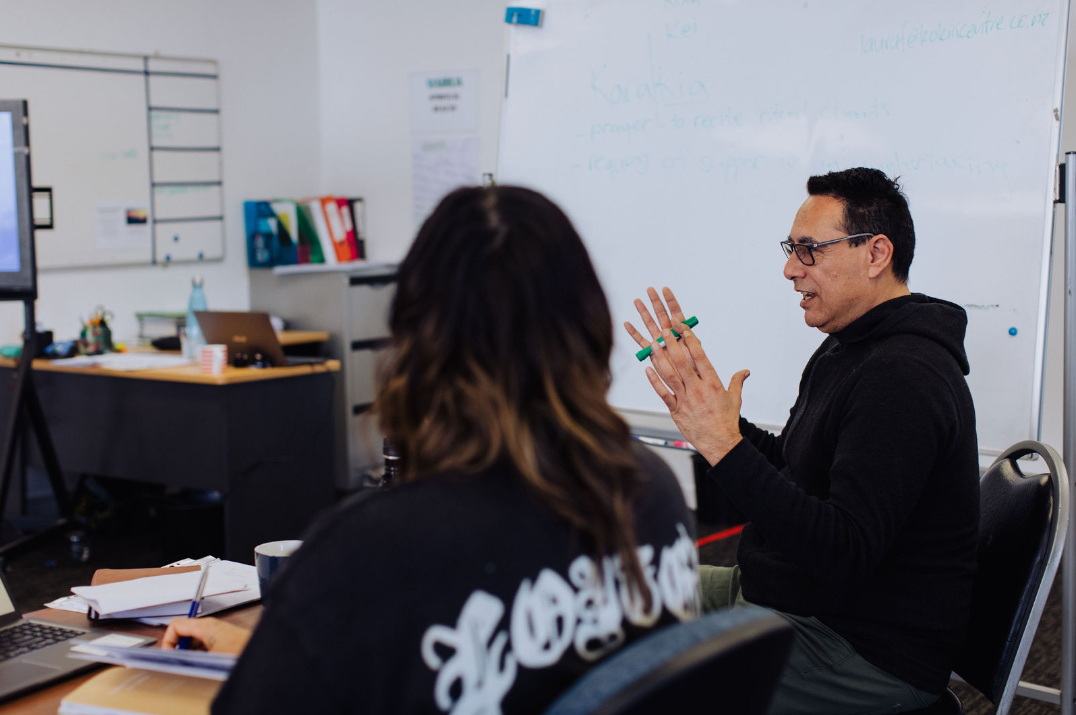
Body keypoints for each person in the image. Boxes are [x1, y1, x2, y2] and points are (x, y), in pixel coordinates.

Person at [164, 185, 701, 714]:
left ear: (414, 340)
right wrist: (280, 654)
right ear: (589, 325)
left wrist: (283, 650)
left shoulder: (371, 545)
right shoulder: (650, 489)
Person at [625, 167, 979, 715]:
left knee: (640, 679)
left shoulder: (905, 376)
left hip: (861, 647)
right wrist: (724, 426)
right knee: (605, 599)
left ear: (876, 253)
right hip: (787, 597)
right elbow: (796, 474)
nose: (790, 269)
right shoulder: (846, 347)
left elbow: (841, 552)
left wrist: (724, 447)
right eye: (792, 248)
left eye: (809, 250)